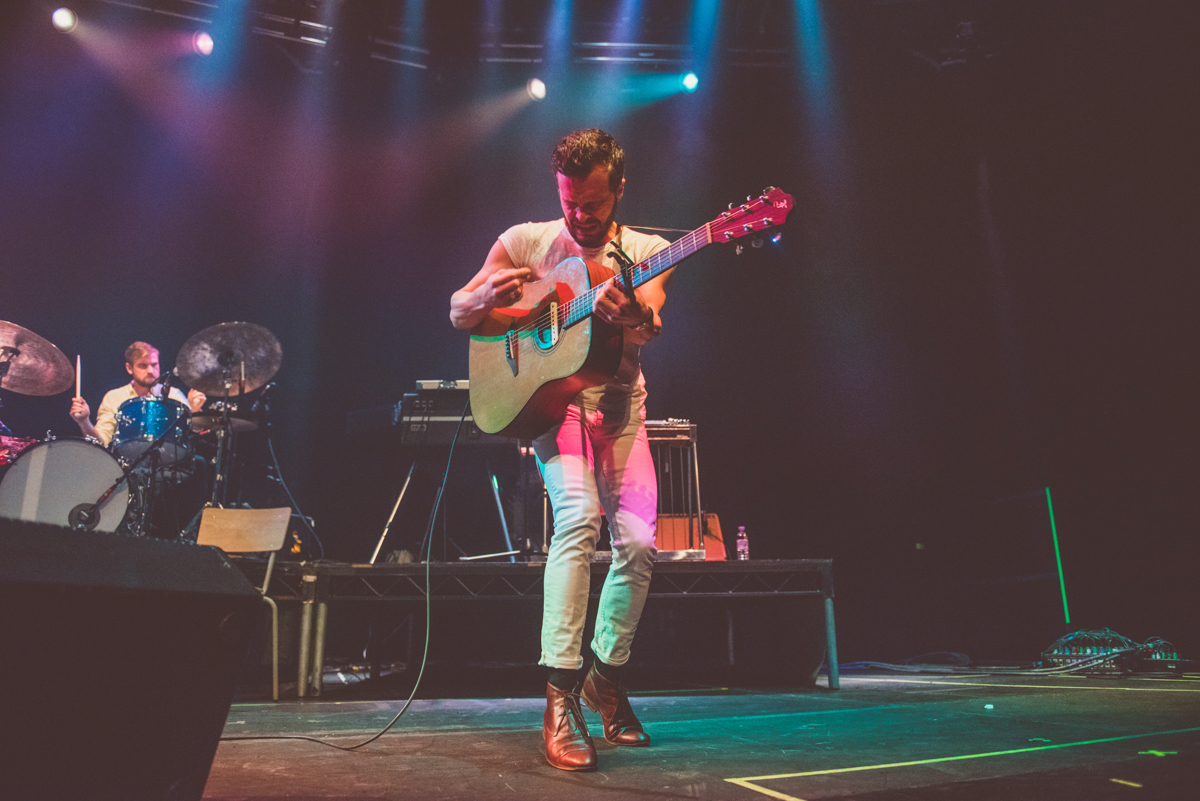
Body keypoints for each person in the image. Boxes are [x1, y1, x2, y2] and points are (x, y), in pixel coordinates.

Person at [450, 129, 672, 771]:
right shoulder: (523, 240)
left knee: (638, 542)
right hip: (557, 408)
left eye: (593, 205)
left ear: (619, 190)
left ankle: (606, 676)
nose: (581, 216)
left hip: (621, 406)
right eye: (571, 203)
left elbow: (650, 321)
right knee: (579, 520)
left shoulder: (649, 251)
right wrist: (479, 299)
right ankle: (559, 696)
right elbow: (459, 310)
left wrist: (633, 314)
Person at [71, 341, 205, 446]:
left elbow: (192, 433)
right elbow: (100, 442)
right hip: (126, 467)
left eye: (154, 364)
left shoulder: (173, 394)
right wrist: (84, 422)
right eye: (143, 365)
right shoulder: (114, 397)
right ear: (129, 368)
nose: (150, 371)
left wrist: (194, 411)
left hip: (168, 465)